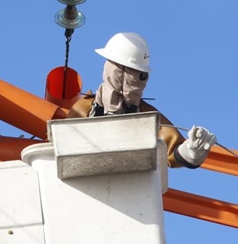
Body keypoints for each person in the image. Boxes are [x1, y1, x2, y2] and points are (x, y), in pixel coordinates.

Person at [68, 32, 216, 169]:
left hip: (131, 188)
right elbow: (61, 146)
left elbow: (172, 150)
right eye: (134, 73)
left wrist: (190, 150)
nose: (138, 80)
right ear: (114, 69)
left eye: (141, 75)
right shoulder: (85, 108)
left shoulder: (146, 115)